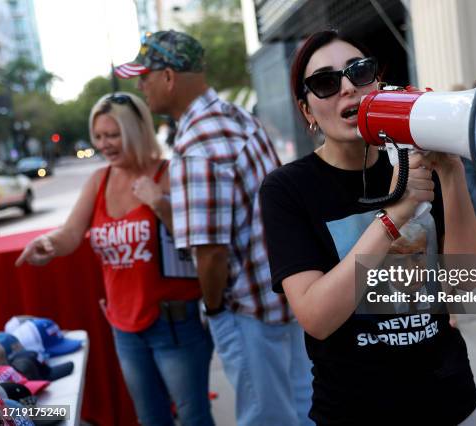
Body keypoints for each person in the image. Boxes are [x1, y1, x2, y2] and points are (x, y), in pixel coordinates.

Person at [259, 29, 476, 425]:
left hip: (450, 403)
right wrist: (393, 218)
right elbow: (317, 316)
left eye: (359, 72)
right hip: (356, 410)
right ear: (307, 110)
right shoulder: (287, 189)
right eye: (326, 82)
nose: (347, 87)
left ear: (377, 83)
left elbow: (464, 284)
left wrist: (452, 175)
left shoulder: (415, 160)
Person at [114, 31, 313, 426]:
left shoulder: (196, 143)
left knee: (266, 417)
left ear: (168, 77)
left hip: (247, 310)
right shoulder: (234, 116)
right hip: (282, 297)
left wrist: (215, 309)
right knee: (303, 408)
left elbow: (211, 253)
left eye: (145, 77)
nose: (141, 87)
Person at [15, 92, 214, 426]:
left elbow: (201, 240)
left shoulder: (167, 173)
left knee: (193, 417)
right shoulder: (99, 180)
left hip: (174, 324)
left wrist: (160, 203)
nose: (104, 144)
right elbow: (71, 233)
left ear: (136, 131)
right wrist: (47, 243)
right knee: (150, 419)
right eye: (99, 136)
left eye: (113, 134)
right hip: (124, 326)